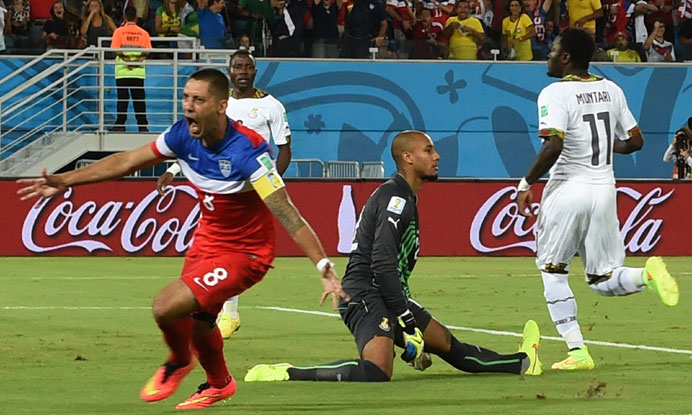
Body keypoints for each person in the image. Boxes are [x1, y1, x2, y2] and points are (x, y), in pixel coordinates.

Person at [17, 68, 347, 410]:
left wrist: (323, 265)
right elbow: (127, 161)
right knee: (201, 326)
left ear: (221, 106)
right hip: (207, 240)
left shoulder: (248, 152)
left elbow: (288, 213)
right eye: (186, 98)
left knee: (165, 307)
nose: (188, 106)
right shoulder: (181, 135)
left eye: (198, 100)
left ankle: (178, 360)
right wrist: (65, 180)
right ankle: (219, 384)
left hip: (246, 254)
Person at [243, 130, 543, 383]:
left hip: (389, 294)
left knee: (450, 346)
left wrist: (406, 318)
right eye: (428, 150)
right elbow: (382, 262)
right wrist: (407, 321)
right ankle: (287, 373)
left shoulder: (403, 195)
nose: (437, 156)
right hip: (364, 294)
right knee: (377, 371)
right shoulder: (396, 198)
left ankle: (524, 361)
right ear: (408, 158)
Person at [516, 28, 679, 371]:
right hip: (604, 191)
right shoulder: (612, 89)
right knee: (602, 279)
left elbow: (554, 144)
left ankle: (578, 352)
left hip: (568, 189)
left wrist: (525, 182)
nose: (548, 55)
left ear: (565, 57)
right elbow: (635, 142)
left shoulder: (554, 93)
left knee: (552, 271)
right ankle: (647, 276)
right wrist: (603, 144)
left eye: (553, 50)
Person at [157, 49, 292, 339]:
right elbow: (196, 141)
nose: (243, 71)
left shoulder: (271, 105)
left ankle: (225, 313)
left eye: (248, 67)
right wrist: (173, 169)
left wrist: (271, 184)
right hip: (220, 183)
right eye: (237, 66)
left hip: (252, 186)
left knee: (236, 249)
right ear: (229, 71)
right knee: (220, 247)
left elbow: (284, 148)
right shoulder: (217, 104)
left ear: (255, 71)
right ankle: (224, 312)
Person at [109, 6, 151, 132]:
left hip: (122, 70)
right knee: (139, 100)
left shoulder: (118, 32)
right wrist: (136, 62)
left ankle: (120, 124)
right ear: (136, 17)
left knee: (122, 99)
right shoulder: (143, 33)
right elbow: (147, 52)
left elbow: (116, 49)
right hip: (138, 71)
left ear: (125, 17)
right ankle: (142, 126)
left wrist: (127, 61)